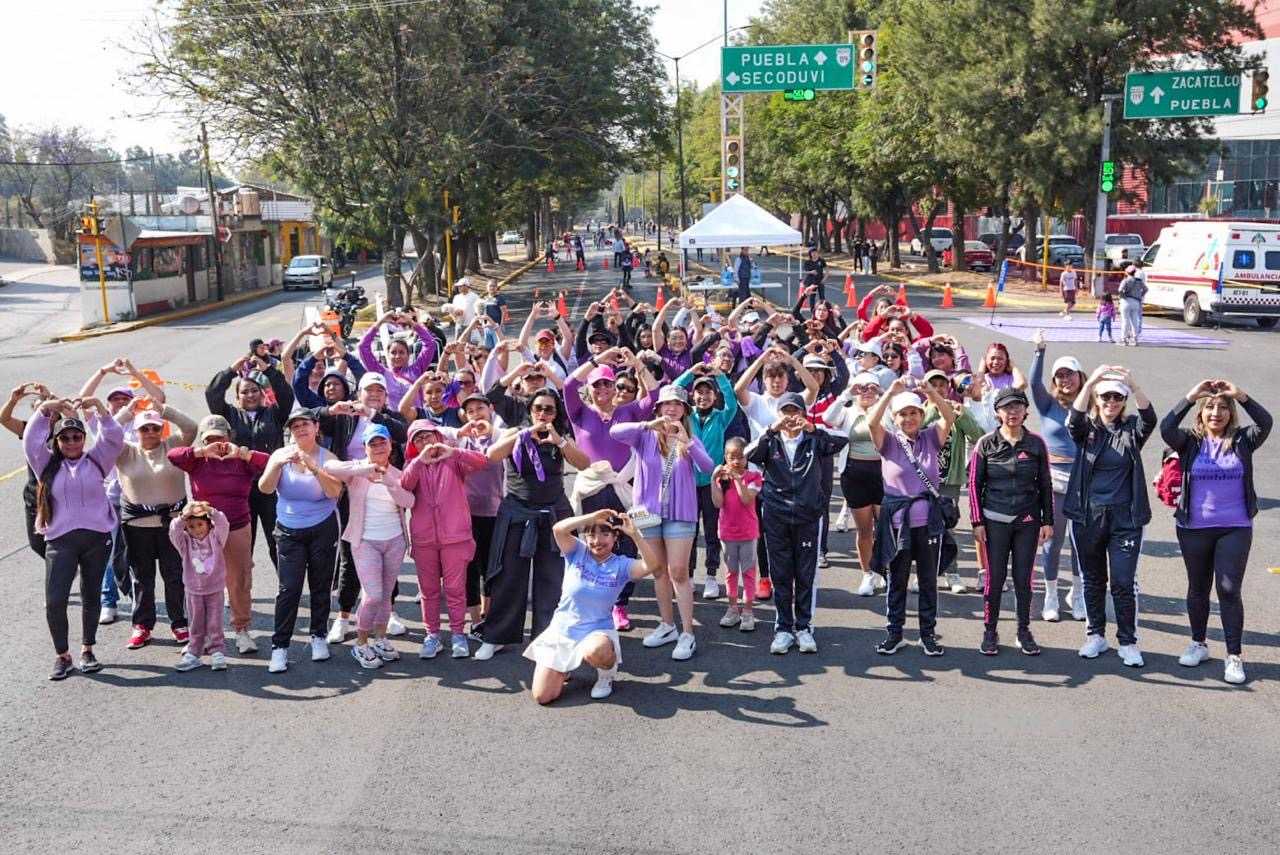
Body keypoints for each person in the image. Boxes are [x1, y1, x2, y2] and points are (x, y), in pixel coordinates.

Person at [1161, 379, 1271, 685]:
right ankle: (1198, 643)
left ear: (1231, 413)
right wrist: (1190, 396)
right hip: (1193, 527)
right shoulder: (1189, 441)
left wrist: (1241, 395)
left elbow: (1266, 422)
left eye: (1223, 407)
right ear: (1201, 413)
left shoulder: (1243, 439)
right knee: (1198, 588)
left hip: (1235, 526)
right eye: (1209, 407)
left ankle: (1234, 656)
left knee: (1228, 589)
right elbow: (1166, 428)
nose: (1216, 413)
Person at [478, 389, 590, 661]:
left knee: (552, 579)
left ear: (556, 413)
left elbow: (584, 464)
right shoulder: (516, 432)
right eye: (538, 408)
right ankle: (497, 636)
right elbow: (491, 455)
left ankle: (547, 638)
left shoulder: (561, 436)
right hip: (517, 511)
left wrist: (559, 441)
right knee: (508, 577)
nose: (543, 413)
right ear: (530, 410)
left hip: (554, 514)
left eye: (549, 409)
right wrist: (524, 434)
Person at [610, 386, 713, 660]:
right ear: (657, 409)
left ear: (685, 410)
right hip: (648, 513)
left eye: (678, 404)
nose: (672, 408)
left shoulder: (689, 438)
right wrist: (647, 424)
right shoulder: (644, 436)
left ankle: (688, 633)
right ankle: (667, 625)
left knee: (678, 571)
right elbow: (615, 432)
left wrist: (687, 443)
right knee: (658, 572)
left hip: (680, 513)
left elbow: (708, 467)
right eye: (666, 404)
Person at [24, 397, 123, 680]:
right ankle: (63, 655)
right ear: (56, 441)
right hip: (60, 540)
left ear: (83, 438)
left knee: (91, 595)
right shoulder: (45, 464)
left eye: (77, 437)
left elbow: (113, 438)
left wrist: (102, 411)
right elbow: (30, 441)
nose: (71, 442)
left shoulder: (97, 460)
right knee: (55, 600)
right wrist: (46, 409)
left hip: (96, 538)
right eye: (65, 438)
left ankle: (88, 649)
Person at [1065, 366, 1156, 667]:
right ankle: (1095, 635)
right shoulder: (1086, 431)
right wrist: (1091, 381)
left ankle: (1128, 642)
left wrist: (1133, 384)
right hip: (1088, 516)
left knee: (1123, 581)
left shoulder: (1131, 429)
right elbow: (1074, 419)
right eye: (1106, 397)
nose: (1111, 402)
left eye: (1118, 397)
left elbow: (1150, 419)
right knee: (1092, 579)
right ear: (1097, 398)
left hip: (1125, 519)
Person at [746, 392, 848, 654]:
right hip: (776, 515)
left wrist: (814, 429)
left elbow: (841, 441)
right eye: (785, 412)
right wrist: (771, 430)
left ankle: (804, 627)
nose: (791, 417)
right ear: (778, 415)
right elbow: (748, 455)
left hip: (807, 516)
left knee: (805, 575)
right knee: (780, 574)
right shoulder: (770, 440)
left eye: (795, 412)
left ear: (803, 414)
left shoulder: (815, 439)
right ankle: (783, 629)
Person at [527, 510, 662, 704]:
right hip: (562, 631)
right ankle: (564, 667)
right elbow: (558, 529)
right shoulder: (577, 551)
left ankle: (607, 674)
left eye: (605, 534)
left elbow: (652, 566)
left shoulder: (621, 565)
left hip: (596, 631)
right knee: (543, 696)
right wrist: (592, 517)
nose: (597, 541)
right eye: (591, 534)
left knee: (595, 650)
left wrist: (635, 535)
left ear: (615, 537)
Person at [865, 377, 956, 656]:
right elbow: (871, 422)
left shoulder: (931, 437)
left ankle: (928, 635)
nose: (909, 418)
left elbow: (949, 417)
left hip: (929, 524)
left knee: (928, 582)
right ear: (894, 418)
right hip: (897, 525)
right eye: (902, 414)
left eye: (914, 412)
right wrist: (890, 393)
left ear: (922, 414)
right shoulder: (889, 442)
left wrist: (932, 394)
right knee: (897, 580)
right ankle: (895, 634)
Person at [168, 415, 269, 654]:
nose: (216, 444)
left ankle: (242, 630)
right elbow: (173, 455)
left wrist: (242, 453)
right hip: (203, 530)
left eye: (220, 438)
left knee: (239, 579)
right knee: (199, 582)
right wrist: (201, 452)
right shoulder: (197, 461)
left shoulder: (241, 460)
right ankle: (200, 636)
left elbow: (269, 462)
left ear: (229, 436)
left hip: (237, 526)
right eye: (209, 439)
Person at [968, 387, 1055, 656]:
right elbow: (974, 485)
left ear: (1026, 410)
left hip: (1027, 520)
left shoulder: (1036, 443)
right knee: (995, 578)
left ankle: (1023, 630)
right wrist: (977, 522)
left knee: (1023, 578)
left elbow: (1045, 484)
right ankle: (990, 630)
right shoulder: (985, 443)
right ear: (997, 412)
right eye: (1006, 407)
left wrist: (1047, 521)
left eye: (1018, 406)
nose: (1012, 412)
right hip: (994, 520)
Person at [257, 407, 345, 673]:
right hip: (288, 530)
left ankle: (318, 636)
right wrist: (276, 465)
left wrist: (313, 467)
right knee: (289, 589)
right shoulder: (280, 455)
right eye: (295, 426)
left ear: (316, 427)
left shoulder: (328, 457)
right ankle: (280, 647)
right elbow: (265, 488)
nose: (300, 429)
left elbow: (335, 492)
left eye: (305, 424)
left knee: (321, 585)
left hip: (323, 528)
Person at [324, 424, 415, 670]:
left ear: (390, 445)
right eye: (372, 444)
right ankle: (361, 643)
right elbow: (329, 466)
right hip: (365, 541)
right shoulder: (357, 470)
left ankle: (380, 638)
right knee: (373, 595)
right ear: (364, 447)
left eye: (382, 442)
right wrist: (365, 469)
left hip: (395, 540)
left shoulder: (398, 473)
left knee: (386, 594)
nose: (378, 447)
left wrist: (390, 483)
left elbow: (409, 501)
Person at [113, 400, 198, 650]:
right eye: (144, 428)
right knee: (142, 578)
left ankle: (179, 622)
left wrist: (164, 410)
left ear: (161, 429)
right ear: (136, 430)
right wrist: (127, 413)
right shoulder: (125, 451)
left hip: (172, 525)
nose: (150, 432)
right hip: (137, 527)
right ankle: (142, 625)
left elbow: (191, 427)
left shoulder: (173, 446)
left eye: (155, 428)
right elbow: (106, 434)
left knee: (174, 575)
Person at [401, 420, 489, 658]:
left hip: (455, 536)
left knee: (455, 589)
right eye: (418, 439)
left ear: (437, 436)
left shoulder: (453, 458)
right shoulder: (412, 464)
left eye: (427, 436)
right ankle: (432, 635)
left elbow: (482, 462)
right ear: (413, 445)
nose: (424, 442)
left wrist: (454, 451)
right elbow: (405, 485)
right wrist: (419, 461)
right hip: (424, 538)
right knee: (428, 590)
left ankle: (458, 634)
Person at [206, 359, 295, 570]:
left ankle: (286, 583)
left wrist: (268, 370)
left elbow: (286, 394)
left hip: (271, 486)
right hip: (240, 489)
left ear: (262, 393)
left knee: (278, 540)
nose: (250, 395)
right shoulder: (229, 415)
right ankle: (240, 583)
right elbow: (212, 393)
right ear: (237, 397)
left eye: (254, 390)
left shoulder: (275, 413)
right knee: (243, 543)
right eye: (244, 392)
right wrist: (231, 370)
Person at [674, 364, 740, 601]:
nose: (703, 397)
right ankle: (689, 576)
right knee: (689, 531)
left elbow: (732, 401)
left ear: (714, 395)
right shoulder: (686, 415)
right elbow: (674, 390)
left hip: (712, 482)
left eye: (708, 392)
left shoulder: (721, 417)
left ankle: (711, 576)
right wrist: (691, 372)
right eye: (699, 392)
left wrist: (720, 376)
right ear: (692, 395)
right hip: (688, 482)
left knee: (712, 531)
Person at [823, 372, 887, 595]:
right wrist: (847, 394)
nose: (867, 391)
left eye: (872, 387)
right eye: (862, 387)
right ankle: (867, 573)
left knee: (885, 527)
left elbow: (897, 425)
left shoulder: (885, 410)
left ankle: (883, 570)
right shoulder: (848, 412)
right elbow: (828, 417)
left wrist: (883, 396)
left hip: (883, 474)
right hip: (854, 474)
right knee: (864, 529)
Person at [169, 502, 231, 672]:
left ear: (208, 523)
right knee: (196, 623)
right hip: (193, 590)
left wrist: (210, 510)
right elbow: (174, 530)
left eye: (200, 524)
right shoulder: (184, 543)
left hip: (215, 589)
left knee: (215, 622)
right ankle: (194, 653)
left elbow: (223, 523)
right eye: (191, 526)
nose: (196, 529)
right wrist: (183, 516)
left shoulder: (216, 538)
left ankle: (217, 651)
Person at [709, 437, 762, 631]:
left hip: (748, 533)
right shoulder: (721, 479)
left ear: (747, 457)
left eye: (741, 457)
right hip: (727, 533)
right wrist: (713, 480)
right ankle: (732, 608)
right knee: (730, 572)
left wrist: (738, 479)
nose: (736, 461)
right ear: (725, 457)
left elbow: (747, 499)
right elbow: (717, 503)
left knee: (748, 572)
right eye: (732, 457)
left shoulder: (754, 477)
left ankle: (748, 611)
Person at [357, 308, 440, 409]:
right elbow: (362, 347)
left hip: (417, 418)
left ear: (408, 355)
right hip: (392, 418)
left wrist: (411, 322)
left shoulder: (416, 370)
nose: (397, 356)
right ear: (387, 355)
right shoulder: (381, 373)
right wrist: (380, 322)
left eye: (401, 352)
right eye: (393, 352)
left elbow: (430, 344)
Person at [1116, 266, 1146, 346]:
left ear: (1127, 272)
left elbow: (1120, 290)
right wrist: (1140, 295)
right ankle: (1134, 339)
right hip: (1136, 301)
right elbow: (1146, 289)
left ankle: (1124, 339)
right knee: (1134, 321)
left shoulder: (1125, 280)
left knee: (1125, 321)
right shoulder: (1139, 281)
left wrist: (1123, 297)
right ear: (1134, 272)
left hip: (1126, 302)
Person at [802, 244, 828, 310]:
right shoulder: (808, 262)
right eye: (812, 253)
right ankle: (812, 310)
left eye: (815, 252)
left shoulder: (821, 261)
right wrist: (811, 272)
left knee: (822, 296)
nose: (814, 254)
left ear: (817, 253)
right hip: (811, 282)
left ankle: (823, 309)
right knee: (812, 297)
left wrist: (824, 279)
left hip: (820, 281)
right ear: (810, 254)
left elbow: (827, 270)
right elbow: (805, 271)